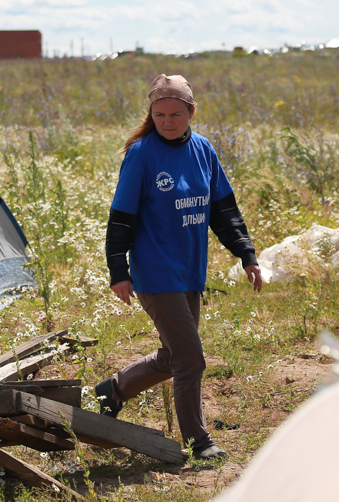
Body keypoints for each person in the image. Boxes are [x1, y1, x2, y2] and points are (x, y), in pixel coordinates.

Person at [97, 74, 263, 460]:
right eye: (159, 114)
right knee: (191, 359)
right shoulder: (141, 154)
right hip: (155, 273)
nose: (167, 121)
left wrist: (247, 255)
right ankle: (198, 440)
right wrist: (118, 272)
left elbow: (224, 212)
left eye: (175, 114)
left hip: (190, 271)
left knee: (173, 357)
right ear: (151, 114)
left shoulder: (204, 150)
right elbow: (121, 217)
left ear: (191, 112)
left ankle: (113, 390)